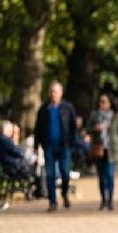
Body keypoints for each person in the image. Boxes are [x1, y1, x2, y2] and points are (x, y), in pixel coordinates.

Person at [34, 80, 77, 212]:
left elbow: (73, 126)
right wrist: (37, 145)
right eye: (52, 91)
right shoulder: (44, 109)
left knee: (65, 172)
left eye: (56, 92)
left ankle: (64, 193)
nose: (53, 94)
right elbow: (38, 128)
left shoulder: (68, 108)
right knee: (50, 175)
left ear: (61, 93)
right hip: (49, 146)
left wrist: (72, 142)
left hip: (64, 146)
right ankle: (52, 201)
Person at [88, 93, 118, 211]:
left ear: (110, 103)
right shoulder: (94, 115)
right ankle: (103, 199)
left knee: (110, 175)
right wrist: (95, 128)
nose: (102, 103)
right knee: (101, 177)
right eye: (100, 101)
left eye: (104, 101)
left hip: (112, 150)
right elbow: (88, 129)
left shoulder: (116, 116)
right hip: (99, 150)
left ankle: (110, 200)